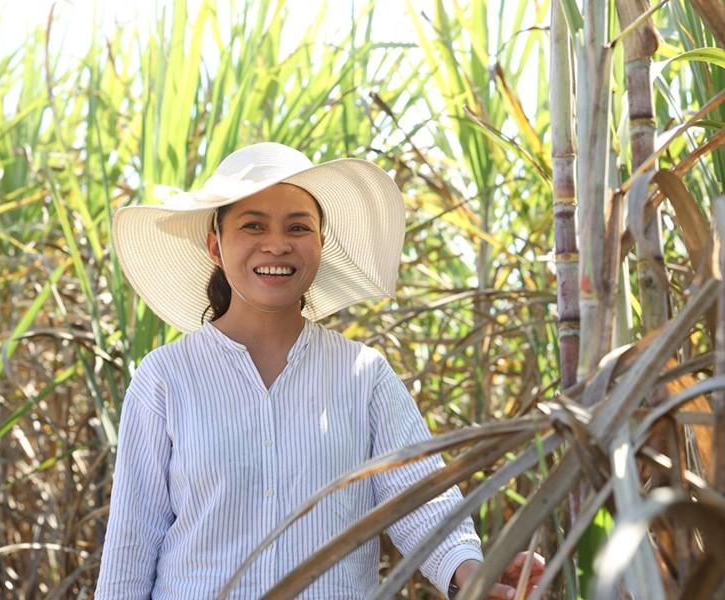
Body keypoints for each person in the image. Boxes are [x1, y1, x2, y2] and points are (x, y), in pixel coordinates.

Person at [95, 142, 544, 599]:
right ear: (215, 244)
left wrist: (471, 572)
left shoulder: (363, 375)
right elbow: (134, 539)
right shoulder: (166, 378)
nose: (276, 244)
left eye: (298, 227)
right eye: (253, 225)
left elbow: (419, 497)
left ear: (320, 244)